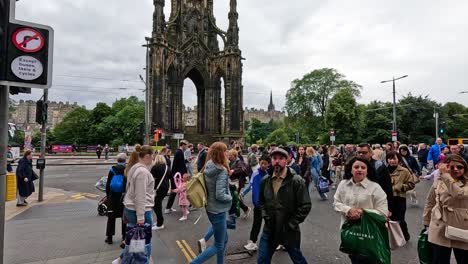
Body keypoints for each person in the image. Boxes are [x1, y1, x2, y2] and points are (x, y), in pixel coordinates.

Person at [257, 148, 311, 263]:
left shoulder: (297, 181)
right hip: (270, 228)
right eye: (274, 158)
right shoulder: (265, 180)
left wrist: (291, 223)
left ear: (286, 161)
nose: (277, 161)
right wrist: (265, 216)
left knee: (298, 259)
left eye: (280, 158)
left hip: (289, 230)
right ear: (271, 160)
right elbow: (261, 202)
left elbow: (305, 205)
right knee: (262, 259)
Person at [333, 157, 389, 264]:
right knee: (354, 258)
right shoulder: (343, 184)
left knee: (368, 259)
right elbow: (336, 203)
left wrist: (362, 212)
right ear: (350, 169)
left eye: (363, 167)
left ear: (367, 171)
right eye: (356, 167)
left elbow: (383, 212)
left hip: (369, 233)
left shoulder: (375, 187)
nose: (359, 169)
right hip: (349, 231)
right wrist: (348, 210)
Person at [191, 142, 232, 264]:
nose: (227, 153)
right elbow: (220, 195)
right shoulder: (221, 170)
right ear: (221, 153)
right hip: (218, 210)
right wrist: (231, 197)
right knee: (218, 245)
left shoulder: (209, 165)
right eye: (225, 151)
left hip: (210, 208)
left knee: (224, 240)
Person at [423, 154, 468, 263]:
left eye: (459, 167)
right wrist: (426, 221)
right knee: (439, 260)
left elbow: (459, 194)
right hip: (440, 224)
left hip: (462, 226)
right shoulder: (438, 181)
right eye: (451, 167)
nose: (456, 170)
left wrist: (446, 176)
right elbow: (430, 201)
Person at [121, 145, 155, 260]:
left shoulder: (134, 167)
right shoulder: (142, 172)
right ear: (147, 156)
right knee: (144, 245)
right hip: (141, 211)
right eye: (152, 156)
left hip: (131, 209)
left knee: (134, 242)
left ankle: (123, 260)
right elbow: (140, 196)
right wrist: (140, 217)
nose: (153, 159)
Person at [356, 143, 394, 214]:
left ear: (371, 153)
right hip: (357, 205)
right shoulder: (352, 166)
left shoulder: (379, 166)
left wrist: (389, 208)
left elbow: (387, 188)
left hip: (375, 204)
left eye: (364, 152)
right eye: (359, 152)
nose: (361, 154)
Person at [386, 151, 415, 241]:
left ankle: (405, 235)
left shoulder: (404, 171)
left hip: (399, 198)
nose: (392, 161)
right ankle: (393, 237)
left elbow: (411, 184)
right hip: (386, 198)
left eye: (394, 158)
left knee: (400, 219)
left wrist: (400, 187)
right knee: (389, 219)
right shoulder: (383, 170)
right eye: (390, 159)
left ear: (398, 159)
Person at [243, 157, 269, 251]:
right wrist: (243, 193)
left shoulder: (267, 174)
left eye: (265, 163)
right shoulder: (256, 173)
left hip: (263, 205)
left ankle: (253, 242)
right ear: (259, 162)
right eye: (262, 163)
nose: (263, 165)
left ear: (268, 164)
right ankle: (253, 241)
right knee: (257, 224)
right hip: (259, 204)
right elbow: (251, 186)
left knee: (264, 224)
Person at [105, 153, 127, 248]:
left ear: (117, 160)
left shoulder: (112, 169)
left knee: (111, 217)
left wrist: (108, 196)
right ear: (125, 160)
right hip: (123, 196)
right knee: (124, 217)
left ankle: (109, 238)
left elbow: (108, 184)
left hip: (113, 196)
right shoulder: (127, 169)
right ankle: (124, 237)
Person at [228, 149, 251, 218]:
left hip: (237, 182)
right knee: (234, 197)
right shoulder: (231, 162)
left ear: (234, 155)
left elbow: (242, 169)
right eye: (229, 155)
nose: (229, 156)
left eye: (230, 155)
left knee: (234, 197)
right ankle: (244, 209)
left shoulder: (238, 161)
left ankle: (245, 209)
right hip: (233, 182)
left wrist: (233, 170)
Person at [166, 141, 188, 213]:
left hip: (176, 174)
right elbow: (180, 165)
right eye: (186, 146)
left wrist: (187, 160)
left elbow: (180, 163)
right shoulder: (179, 152)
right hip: (177, 175)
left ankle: (170, 207)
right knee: (175, 191)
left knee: (178, 191)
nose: (187, 147)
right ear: (183, 145)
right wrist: (182, 175)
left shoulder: (179, 152)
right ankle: (168, 208)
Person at [151, 154, 171, 230]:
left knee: (156, 205)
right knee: (157, 204)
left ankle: (160, 223)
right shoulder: (167, 168)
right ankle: (159, 221)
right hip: (165, 188)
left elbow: (152, 179)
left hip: (157, 188)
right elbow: (171, 178)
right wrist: (173, 188)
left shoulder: (155, 168)